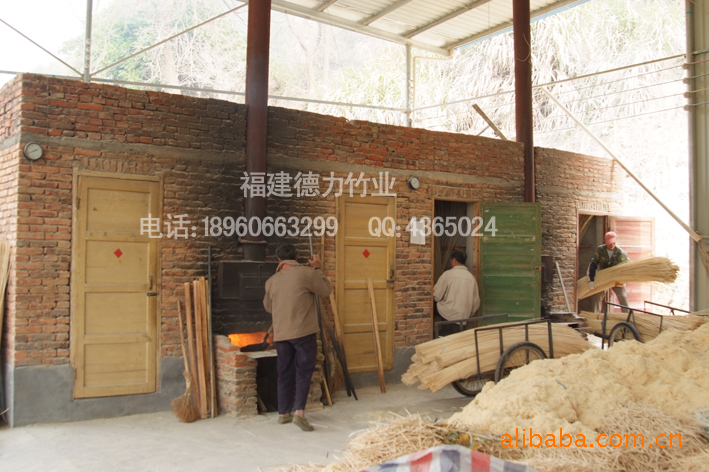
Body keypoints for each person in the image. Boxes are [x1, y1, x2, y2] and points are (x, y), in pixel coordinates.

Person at [263, 244, 332, 432]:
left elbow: (268, 307)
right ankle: (299, 413)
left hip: (282, 335)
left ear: (279, 260)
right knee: (303, 371)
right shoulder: (307, 273)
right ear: (297, 257)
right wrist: (316, 268)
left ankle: (283, 413)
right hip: (303, 333)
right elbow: (326, 290)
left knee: (284, 371)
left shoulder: (271, 281)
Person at [433, 250, 480, 335]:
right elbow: (476, 302)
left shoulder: (447, 274)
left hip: (449, 312)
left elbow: (436, 296)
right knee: (458, 337)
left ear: (454, 260)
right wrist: (468, 313)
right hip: (464, 315)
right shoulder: (471, 278)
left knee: (431, 305)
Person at [588, 231, 630, 313]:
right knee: (597, 296)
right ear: (605, 241)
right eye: (609, 243)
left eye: (613, 243)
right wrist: (591, 280)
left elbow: (627, 267)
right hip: (604, 276)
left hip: (616, 277)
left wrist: (623, 279)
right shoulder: (600, 250)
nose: (611, 245)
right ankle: (595, 316)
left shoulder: (621, 253)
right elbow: (594, 264)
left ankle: (627, 317)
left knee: (622, 296)